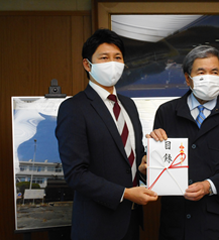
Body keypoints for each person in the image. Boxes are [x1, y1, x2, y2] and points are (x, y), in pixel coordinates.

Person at [55, 28, 158, 240]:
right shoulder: (74, 108)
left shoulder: (129, 105)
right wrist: (126, 193)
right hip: (96, 227)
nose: (113, 62)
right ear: (87, 64)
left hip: (131, 222)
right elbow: (75, 173)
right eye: (104, 57)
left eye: (117, 57)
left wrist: (142, 168)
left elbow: (131, 159)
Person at [147, 45, 219, 240]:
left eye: (215, 72)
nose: (209, 77)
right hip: (176, 222)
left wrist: (209, 186)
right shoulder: (166, 112)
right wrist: (153, 151)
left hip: (217, 223)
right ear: (188, 78)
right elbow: (158, 163)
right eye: (201, 72)